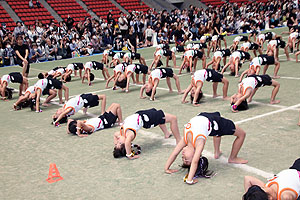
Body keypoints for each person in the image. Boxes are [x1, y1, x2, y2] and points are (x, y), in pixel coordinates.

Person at [164, 112, 247, 184]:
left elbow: (174, 153)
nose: (183, 156)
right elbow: (195, 162)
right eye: (186, 159)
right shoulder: (199, 142)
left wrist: (166, 168)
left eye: (183, 159)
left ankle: (217, 152)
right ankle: (233, 158)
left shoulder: (186, 140)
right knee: (242, 134)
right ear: (195, 155)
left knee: (217, 126)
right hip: (214, 122)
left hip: (203, 116)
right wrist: (189, 179)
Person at [113, 108, 181, 159]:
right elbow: (127, 142)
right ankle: (179, 141)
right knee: (173, 118)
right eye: (120, 143)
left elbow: (115, 135)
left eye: (117, 143)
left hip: (141, 114)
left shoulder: (121, 133)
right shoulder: (129, 135)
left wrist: (116, 143)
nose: (118, 140)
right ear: (126, 145)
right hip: (147, 119)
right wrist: (129, 155)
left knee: (158, 115)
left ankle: (167, 133)